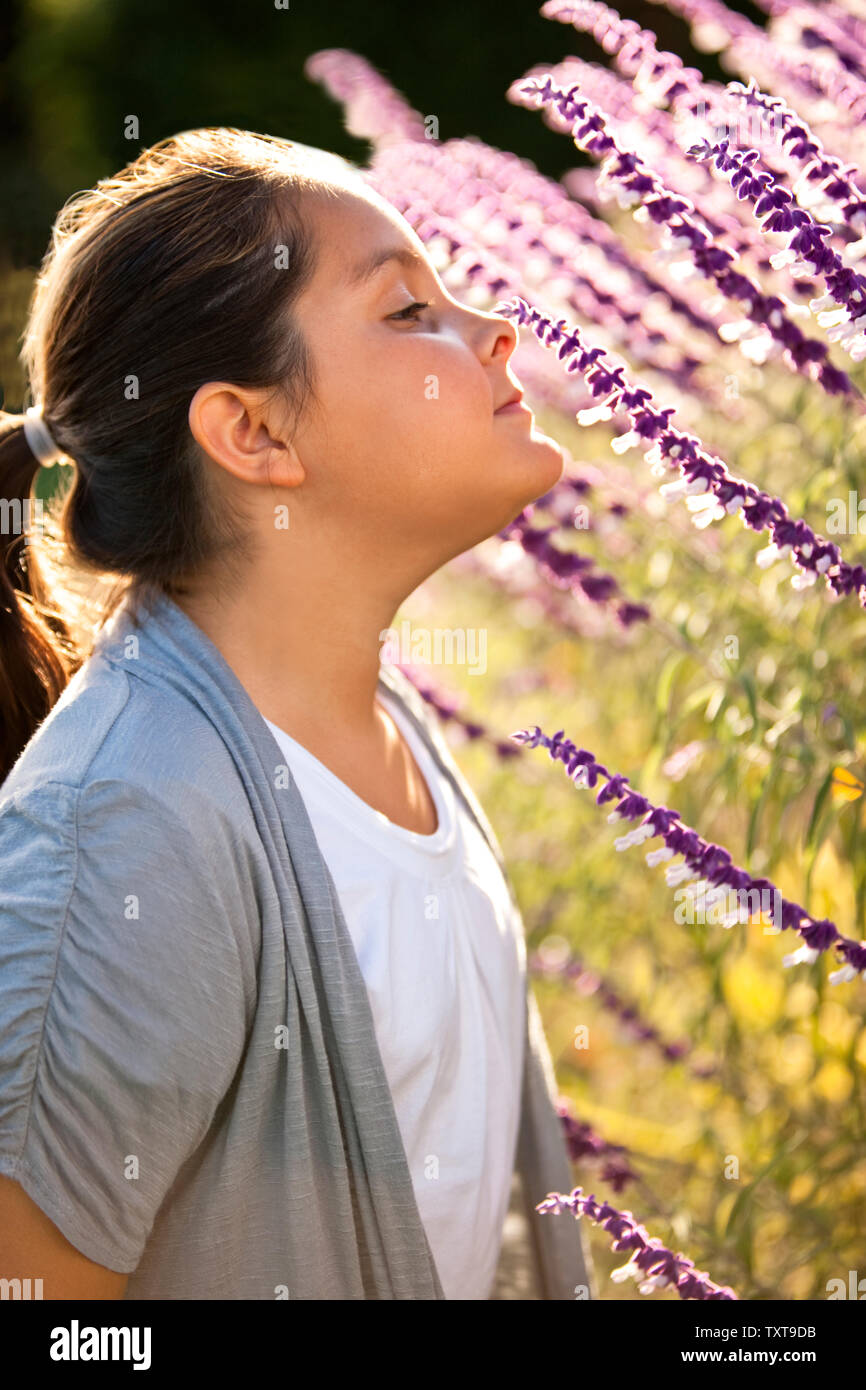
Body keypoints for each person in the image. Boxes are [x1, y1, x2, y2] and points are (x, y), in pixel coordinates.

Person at [0, 128, 595, 1299]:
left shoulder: (380, 734)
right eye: (406, 310)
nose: (494, 331)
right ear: (255, 433)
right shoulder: (132, 823)